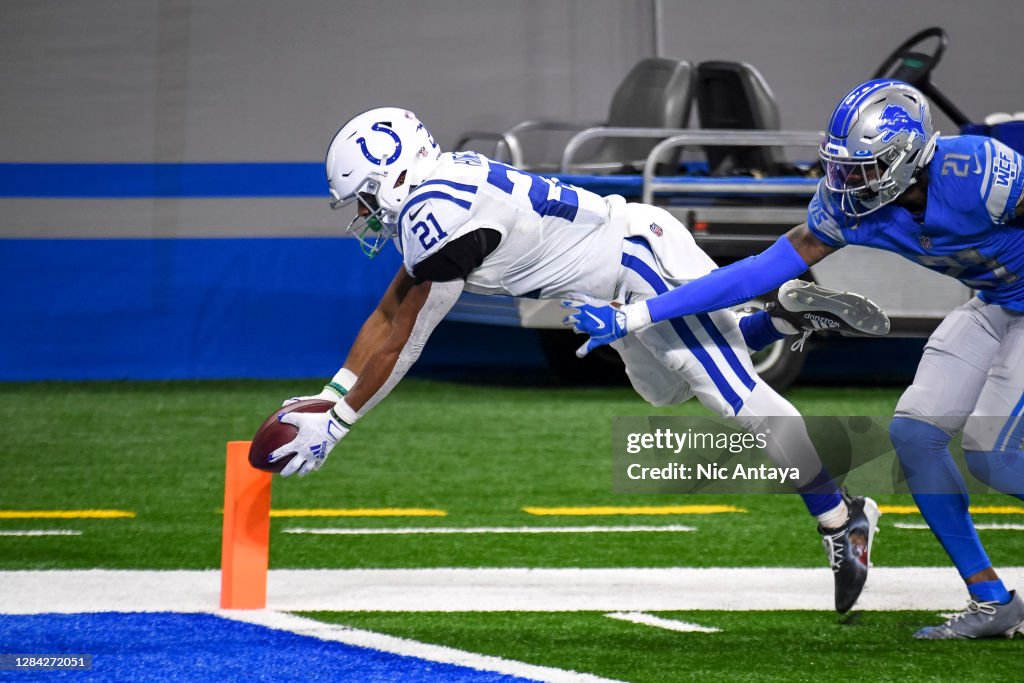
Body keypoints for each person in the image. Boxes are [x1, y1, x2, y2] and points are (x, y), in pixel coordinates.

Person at [272, 106, 887, 613]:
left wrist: (342, 420)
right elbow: (390, 311)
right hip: (603, 288)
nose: (362, 214)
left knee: (739, 402)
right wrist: (333, 393)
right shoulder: (437, 196)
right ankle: (781, 319)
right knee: (669, 392)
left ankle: (842, 520)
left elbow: (408, 332)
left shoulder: (442, 214)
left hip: (637, 260)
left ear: (391, 177)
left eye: (361, 198)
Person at [570, 79, 1024, 639]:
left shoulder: (976, 170)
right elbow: (757, 272)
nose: (846, 181)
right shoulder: (849, 205)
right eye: (842, 165)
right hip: (994, 303)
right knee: (915, 436)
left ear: (909, 157)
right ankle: (990, 601)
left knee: (994, 460)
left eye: (864, 166)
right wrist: (642, 315)